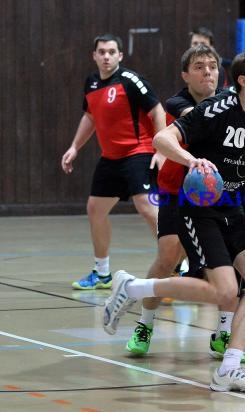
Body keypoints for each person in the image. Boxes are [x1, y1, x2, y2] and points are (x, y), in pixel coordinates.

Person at [102, 47, 245, 393]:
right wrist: (191, 160)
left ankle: (230, 369)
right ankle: (133, 288)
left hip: (231, 207)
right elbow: (163, 139)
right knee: (223, 290)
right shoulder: (216, 110)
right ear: (244, 80)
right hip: (198, 207)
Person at [124, 44, 245, 363]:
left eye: (211, 66)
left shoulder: (230, 102)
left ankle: (223, 335)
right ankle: (144, 325)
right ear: (185, 75)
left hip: (217, 199)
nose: (207, 71)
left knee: (225, 265)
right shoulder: (177, 103)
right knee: (167, 256)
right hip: (176, 195)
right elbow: (196, 119)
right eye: (199, 66)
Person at [61, 33, 166, 290]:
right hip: (111, 158)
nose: (106, 56)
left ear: (120, 55)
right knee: (95, 209)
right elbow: (90, 117)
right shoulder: (92, 83)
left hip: (138, 151)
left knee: (146, 206)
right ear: (94, 56)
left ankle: (178, 265)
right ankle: (102, 273)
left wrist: (162, 149)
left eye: (111, 52)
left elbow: (157, 110)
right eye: (102, 52)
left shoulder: (131, 81)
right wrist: (75, 147)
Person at [188, 26, 245, 235]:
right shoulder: (192, 88)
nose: (198, 50)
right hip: (215, 166)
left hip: (242, 163)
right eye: (194, 45)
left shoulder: (233, 73)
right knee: (206, 225)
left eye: (203, 45)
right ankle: (190, 264)